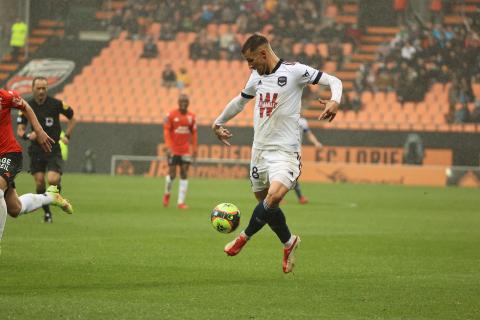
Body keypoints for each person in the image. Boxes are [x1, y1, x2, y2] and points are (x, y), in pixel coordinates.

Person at [212, 34, 342, 273]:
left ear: (263, 54)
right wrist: (217, 122)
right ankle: (289, 242)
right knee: (266, 207)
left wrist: (335, 100)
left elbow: (334, 80)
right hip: (259, 152)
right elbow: (240, 102)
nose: (249, 66)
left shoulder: (295, 72)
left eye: (251, 60)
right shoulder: (256, 77)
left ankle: (243, 238)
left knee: (272, 199)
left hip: (285, 152)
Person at [0, 89, 73, 252]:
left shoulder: (4, 97)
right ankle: (50, 197)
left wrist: (39, 130)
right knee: (15, 208)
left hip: (8, 153)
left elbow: (24, 105)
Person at [16, 77, 76, 223]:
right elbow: (20, 130)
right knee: (40, 183)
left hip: (53, 147)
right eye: (39, 88)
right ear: (33, 89)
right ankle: (47, 212)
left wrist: (67, 135)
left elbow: (72, 118)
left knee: (53, 179)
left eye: (44, 88)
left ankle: (56, 195)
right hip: (36, 149)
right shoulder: (26, 106)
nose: (42, 91)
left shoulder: (56, 104)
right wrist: (28, 135)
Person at [162, 94, 197, 209]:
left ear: (188, 103)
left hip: (185, 150)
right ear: (178, 102)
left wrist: (194, 149)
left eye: (185, 101)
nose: (183, 103)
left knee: (184, 173)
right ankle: (167, 194)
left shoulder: (192, 116)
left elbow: (194, 133)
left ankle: (180, 202)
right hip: (173, 149)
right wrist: (168, 147)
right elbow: (166, 131)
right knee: (172, 174)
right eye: (181, 101)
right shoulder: (171, 115)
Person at [294, 117, 323, 204]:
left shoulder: (302, 122)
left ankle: (277, 195)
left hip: (295, 151)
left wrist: (316, 142)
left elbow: (309, 134)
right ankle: (300, 197)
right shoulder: (283, 116)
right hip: (282, 149)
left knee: (293, 174)